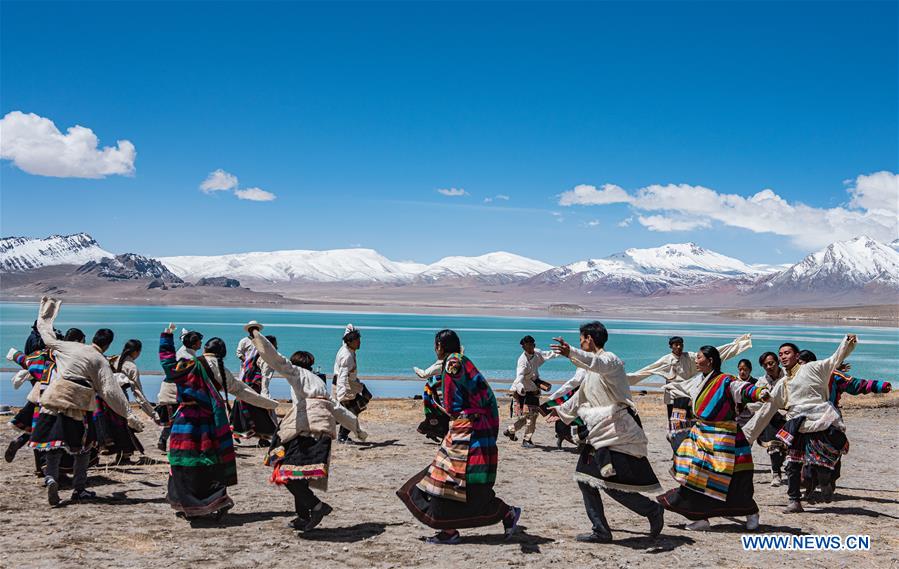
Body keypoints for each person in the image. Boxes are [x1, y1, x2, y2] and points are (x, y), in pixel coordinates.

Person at [397, 329, 521, 545]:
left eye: (435, 346)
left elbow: (455, 395)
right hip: (468, 429)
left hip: (467, 432)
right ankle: (452, 528)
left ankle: (456, 528)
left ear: (439, 346)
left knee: (447, 479)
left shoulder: (453, 363)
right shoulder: (459, 361)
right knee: (445, 479)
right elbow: (482, 396)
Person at [244, 322, 366, 531]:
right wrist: (356, 428)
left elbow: (273, 357)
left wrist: (254, 334)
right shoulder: (318, 382)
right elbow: (336, 408)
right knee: (300, 475)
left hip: (308, 430)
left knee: (286, 473)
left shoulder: (296, 374)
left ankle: (317, 507)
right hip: (322, 432)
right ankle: (303, 516)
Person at [549, 322, 664, 543]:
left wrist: (571, 352)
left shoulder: (610, 361)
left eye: (581, 338)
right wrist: (560, 411)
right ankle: (601, 529)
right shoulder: (590, 372)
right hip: (599, 432)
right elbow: (581, 396)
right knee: (586, 479)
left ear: (590, 339)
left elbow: (596, 362)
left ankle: (651, 510)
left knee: (612, 483)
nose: (580, 342)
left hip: (619, 431)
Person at [28, 297, 144, 506]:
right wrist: (129, 415)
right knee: (84, 447)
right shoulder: (100, 360)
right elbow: (110, 391)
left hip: (53, 397)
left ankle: (51, 477)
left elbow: (45, 333)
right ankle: (79, 489)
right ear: (107, 344)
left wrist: (47, 311)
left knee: (52, 445)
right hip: (78, 401)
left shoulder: (67, 347)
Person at [160, 324, 279, 520]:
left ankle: (185, 502)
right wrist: (270, 404)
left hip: (185, 422)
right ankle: (214, 500)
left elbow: (167, 366)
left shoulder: (188, 363)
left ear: (205, 348)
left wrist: (166, 338)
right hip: (209, 422)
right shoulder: (221, 369)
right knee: (209, 459)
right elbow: (242, 391)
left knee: (181, 459)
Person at [657, 346, 769, 531]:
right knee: (694, 474)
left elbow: (742, 389)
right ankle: (700, 517)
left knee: (735, 479)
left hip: (726, 438)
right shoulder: (699, 381)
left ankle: (751, 512)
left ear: (710, 360)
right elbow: (683, 387)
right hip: (702, 434)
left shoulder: (726, 380)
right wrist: (668, 385)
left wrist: (759, 393)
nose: (696, 360)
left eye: (699, 357)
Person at [743, 335, 857, 513]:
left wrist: (847, 343)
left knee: (823, 462)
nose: (783, 357)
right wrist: (746, 436)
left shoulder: (813, 368)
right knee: (793, 464)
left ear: (797, 356)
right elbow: (767, 410)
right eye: (780, 354)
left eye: (787, 353)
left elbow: (834, 359)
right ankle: (794, 501)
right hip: (796, 424)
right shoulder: (783, 383)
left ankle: (826, 481)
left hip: (820, 420)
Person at [627, 333, 752, 452]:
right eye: (676, 344)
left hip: (688, 395)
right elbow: (648, 370)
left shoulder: (690, 357)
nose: (679, 347)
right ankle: (677, 450)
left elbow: (715, 353)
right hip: (674, 397)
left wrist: (737, 345)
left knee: (690, 423)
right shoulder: (666, 360)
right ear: (671, 346)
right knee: (675, 425)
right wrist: (625, 379)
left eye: (681, 344)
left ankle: (688, 448)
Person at [796, 351, 892, 499]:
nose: (799, 367)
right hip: (804, 422)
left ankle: (827, 481)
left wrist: (879, 386)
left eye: (801, 363)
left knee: (831, 452)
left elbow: (854, 384)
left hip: (829, 420)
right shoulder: (793, 377)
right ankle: (811, 484)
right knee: (801, 458)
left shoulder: (832, 375)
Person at [503, 335, 558, 448]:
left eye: (531, 345)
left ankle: (511, 430)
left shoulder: (537, 353)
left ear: (534, 345)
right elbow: (519, 376)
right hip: (525, 392)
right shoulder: (522, 361)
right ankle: (526, 440)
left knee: (530, 416)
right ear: (523, 347)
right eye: (527, 346)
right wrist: (515, 389)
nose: (529, 348)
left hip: (535, 391)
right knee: (531, 416)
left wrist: (561, 352)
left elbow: (548, 355)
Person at [230, 327, 280, 446]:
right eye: (275, 345)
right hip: (257, 387)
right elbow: (265, 378)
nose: (277, 347)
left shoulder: (256, 355)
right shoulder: (266, 358)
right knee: (263, 414)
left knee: (254, 413)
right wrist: (265, 395)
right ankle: (265, 437)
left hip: (250, 385)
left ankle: (259, 437)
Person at [156, 330, 203, 452]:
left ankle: (165, 441)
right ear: (193, 344)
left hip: (174, 391)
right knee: (176, 420)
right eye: (199, 341)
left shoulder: (186, 353)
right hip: (173, 391)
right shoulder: (188, 357)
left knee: (175, 419)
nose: (201, 343)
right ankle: (168, 441)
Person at [748, 352, 788, 487]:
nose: (769, 367)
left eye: (771, 363)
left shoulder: (789, 378)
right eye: (765, 365)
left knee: (788, 448)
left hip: (788, 418)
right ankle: (776, 473)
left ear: (778, 362)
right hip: (770, 420)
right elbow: (755, 402)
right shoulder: (761, 382)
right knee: (773, 446)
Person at [333, 324, 371, 444]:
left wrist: (350, 327)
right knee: (352, 410)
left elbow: (346, 334)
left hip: (352, 384)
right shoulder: (346, 356)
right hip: (345, 387)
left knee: (363, 399)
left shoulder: (347, 346)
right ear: (351, 342)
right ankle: (342, 435)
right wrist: (341, 395)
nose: (360, 343)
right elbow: (342, 377)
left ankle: (341, 431)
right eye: (357, 341)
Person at [539, 368, 588, 449]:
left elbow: (574, 382)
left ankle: (579, 441)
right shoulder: (583, 369)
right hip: (575, 395)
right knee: (568, 416)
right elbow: (576, 381)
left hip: (581, 395)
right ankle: (567, 438)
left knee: (577, 419)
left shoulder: (586, 367)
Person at [414, 358, 449, 443]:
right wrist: (416, 369)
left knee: (438, 415)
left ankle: (432, 432)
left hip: (441, 392)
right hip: (433, 392)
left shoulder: (449, 363)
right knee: (435, 414)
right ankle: (432, 432)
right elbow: (424, 374)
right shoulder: (440, 365)